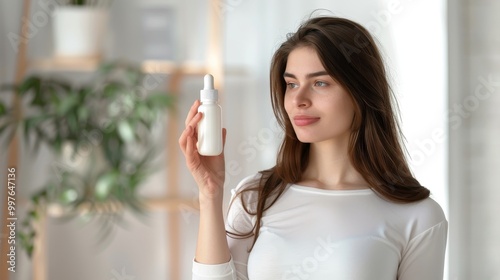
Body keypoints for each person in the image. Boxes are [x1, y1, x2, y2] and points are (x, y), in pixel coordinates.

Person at [179, 16, 448, 280]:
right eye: (292, 84)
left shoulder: (419, 216)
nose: (298, 99)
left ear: (362, 92)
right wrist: (210, 194)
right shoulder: (255, 197)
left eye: (320, 83)